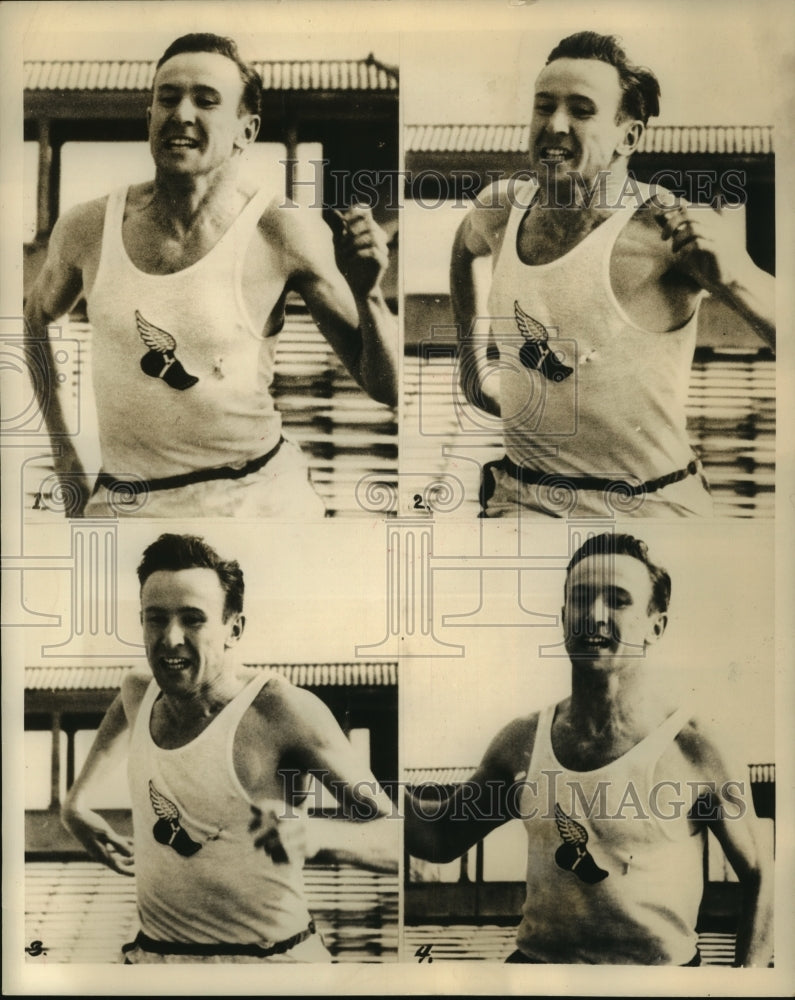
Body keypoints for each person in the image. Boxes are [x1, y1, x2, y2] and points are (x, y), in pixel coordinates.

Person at [24, 33, 397, 519]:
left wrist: (369, 295)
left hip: (253, 499)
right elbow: (33, 318)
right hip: (126, 502)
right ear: (150, 117)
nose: (181, 113)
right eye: (168, 98)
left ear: (248, 129)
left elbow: (384, 386)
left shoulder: (280, 231)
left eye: (206, 101)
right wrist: (63, 451)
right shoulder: (87, 227)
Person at [405, 532, 773, 966]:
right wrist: (360, 780)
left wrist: (746, 985)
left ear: (657, 625)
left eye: (618, 600)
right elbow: (440, 837)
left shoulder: (696, 748)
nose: (593, 616)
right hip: (539, 974)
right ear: (562, 619)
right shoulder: (522, 741)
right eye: (580, 599)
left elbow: (762, 877)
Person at [450, 31, 775, 518]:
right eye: (544, 106)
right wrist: (471, 365)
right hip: (522, 498)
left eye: (582, 110)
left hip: (648, 504)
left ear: (629, 136)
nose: (555, 125)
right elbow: (462, 249)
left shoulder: (671, 230)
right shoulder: (502, 208)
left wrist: (733, 279)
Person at [62, 533, 397, 964]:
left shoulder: (281, 710)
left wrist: (316, 834)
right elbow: (123, 712)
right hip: (154, 960)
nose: (170, 638)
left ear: (233, 629)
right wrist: (76, 802)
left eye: (193, 619)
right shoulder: (137, 691)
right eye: (156, 618)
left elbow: (396, 837)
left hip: (269, 965)